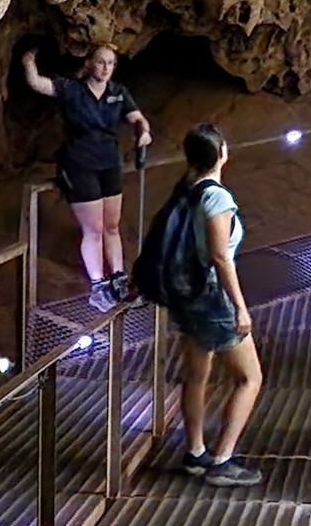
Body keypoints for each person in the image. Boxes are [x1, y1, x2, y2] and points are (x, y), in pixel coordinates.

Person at [158, 123, 263, 487]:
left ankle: (195, 453)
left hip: (185, 295)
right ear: (221, 154)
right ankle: (222, 460)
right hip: (211, 297)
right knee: (250, 378)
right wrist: (240, 307)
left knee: (196, 376)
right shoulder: (216, 197)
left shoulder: (184, 189)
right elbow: (220, 256)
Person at [18, 40, 151, 308]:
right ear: (89, 63)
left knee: (112, 226)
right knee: (94, 229)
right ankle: (98, 286)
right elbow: (39, 84)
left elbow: (137, 117)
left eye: (111, 64)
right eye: (101, 62)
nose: (106, 68)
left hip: (108, 163)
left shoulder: (118, 92)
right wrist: (28, 62)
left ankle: (118, 279)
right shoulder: (72, 90)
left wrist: (144, 131)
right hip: (80, 164)